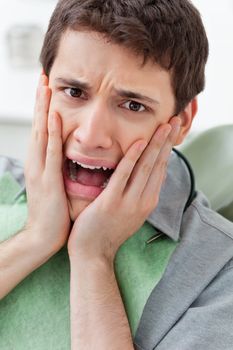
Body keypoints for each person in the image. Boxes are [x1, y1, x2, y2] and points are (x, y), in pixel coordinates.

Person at [1, 0, 233, 349]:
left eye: (133, 105)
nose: (91, 136)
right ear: (44, 92)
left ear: (181, 122)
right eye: (74, 92)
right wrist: (36, 237)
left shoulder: (220, 269)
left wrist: (94, 256)